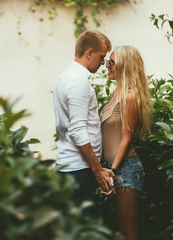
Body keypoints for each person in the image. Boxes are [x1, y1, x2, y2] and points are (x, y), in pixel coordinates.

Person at [53, 30, 116, 211]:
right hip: (78, 171)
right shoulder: (78, 81)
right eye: (102, 56)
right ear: (89, 53)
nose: (104, 63)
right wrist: (97, 170)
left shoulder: (65, 77)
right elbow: (77, 130)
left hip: (71, 168)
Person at [100, 46, 151, 240]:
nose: (107, 66)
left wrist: (111, 170)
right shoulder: (116, 94)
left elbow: (126, 137)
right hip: (115, 169)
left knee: (128, 234)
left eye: (111, 62)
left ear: (125, 66)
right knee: (122, 232)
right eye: (107, 62)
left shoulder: (129, 96)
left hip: (125, 169)